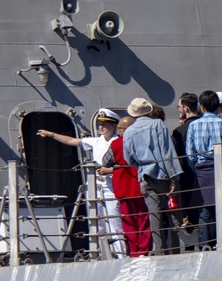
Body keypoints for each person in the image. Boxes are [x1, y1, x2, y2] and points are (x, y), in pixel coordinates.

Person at [37, 108, 127, 257]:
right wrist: (51, 134)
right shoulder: (96, 141)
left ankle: (121, 255)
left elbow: (125, 165)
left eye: (105, 124)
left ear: (113, 126)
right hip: (96, 187)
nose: (101, 127)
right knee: (98, 223)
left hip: (111, 187)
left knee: (114, 222)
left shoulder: (118, 141)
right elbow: (72, 141)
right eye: (100, 124)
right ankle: (101, 255)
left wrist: (109, 170)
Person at [122, 97, 181, 254]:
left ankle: (160, 251)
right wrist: (174, 178)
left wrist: (142, 166)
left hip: (145, 177)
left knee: (154, 217)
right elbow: (167, 151)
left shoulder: (128, 131)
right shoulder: (157, 124)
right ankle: (177, 250)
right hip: (163, 174)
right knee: (174, 213)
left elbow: (129, 159)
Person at [186, 90, 222, 249]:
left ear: (201, 107)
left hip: (202, 170)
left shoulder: (193, 125)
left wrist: (197, 166)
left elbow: (190, 154)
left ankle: (204, 247)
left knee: (204, 212)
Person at [99, 116, 153, 256]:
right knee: (143, 219)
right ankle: (144, 250)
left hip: (122, 186)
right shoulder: (141, 141)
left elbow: (105, 162)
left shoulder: (116, 143)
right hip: (140, 184)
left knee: (128, 221)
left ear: (121, 129)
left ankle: (134, 251)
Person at [171, 92, 200, 246]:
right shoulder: (203, 124)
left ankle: (192, 244)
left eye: (179, 107)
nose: (179, 109)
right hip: (207, 173)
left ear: (186, 108)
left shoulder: (179, 131)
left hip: (187, 178)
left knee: (190, 212)